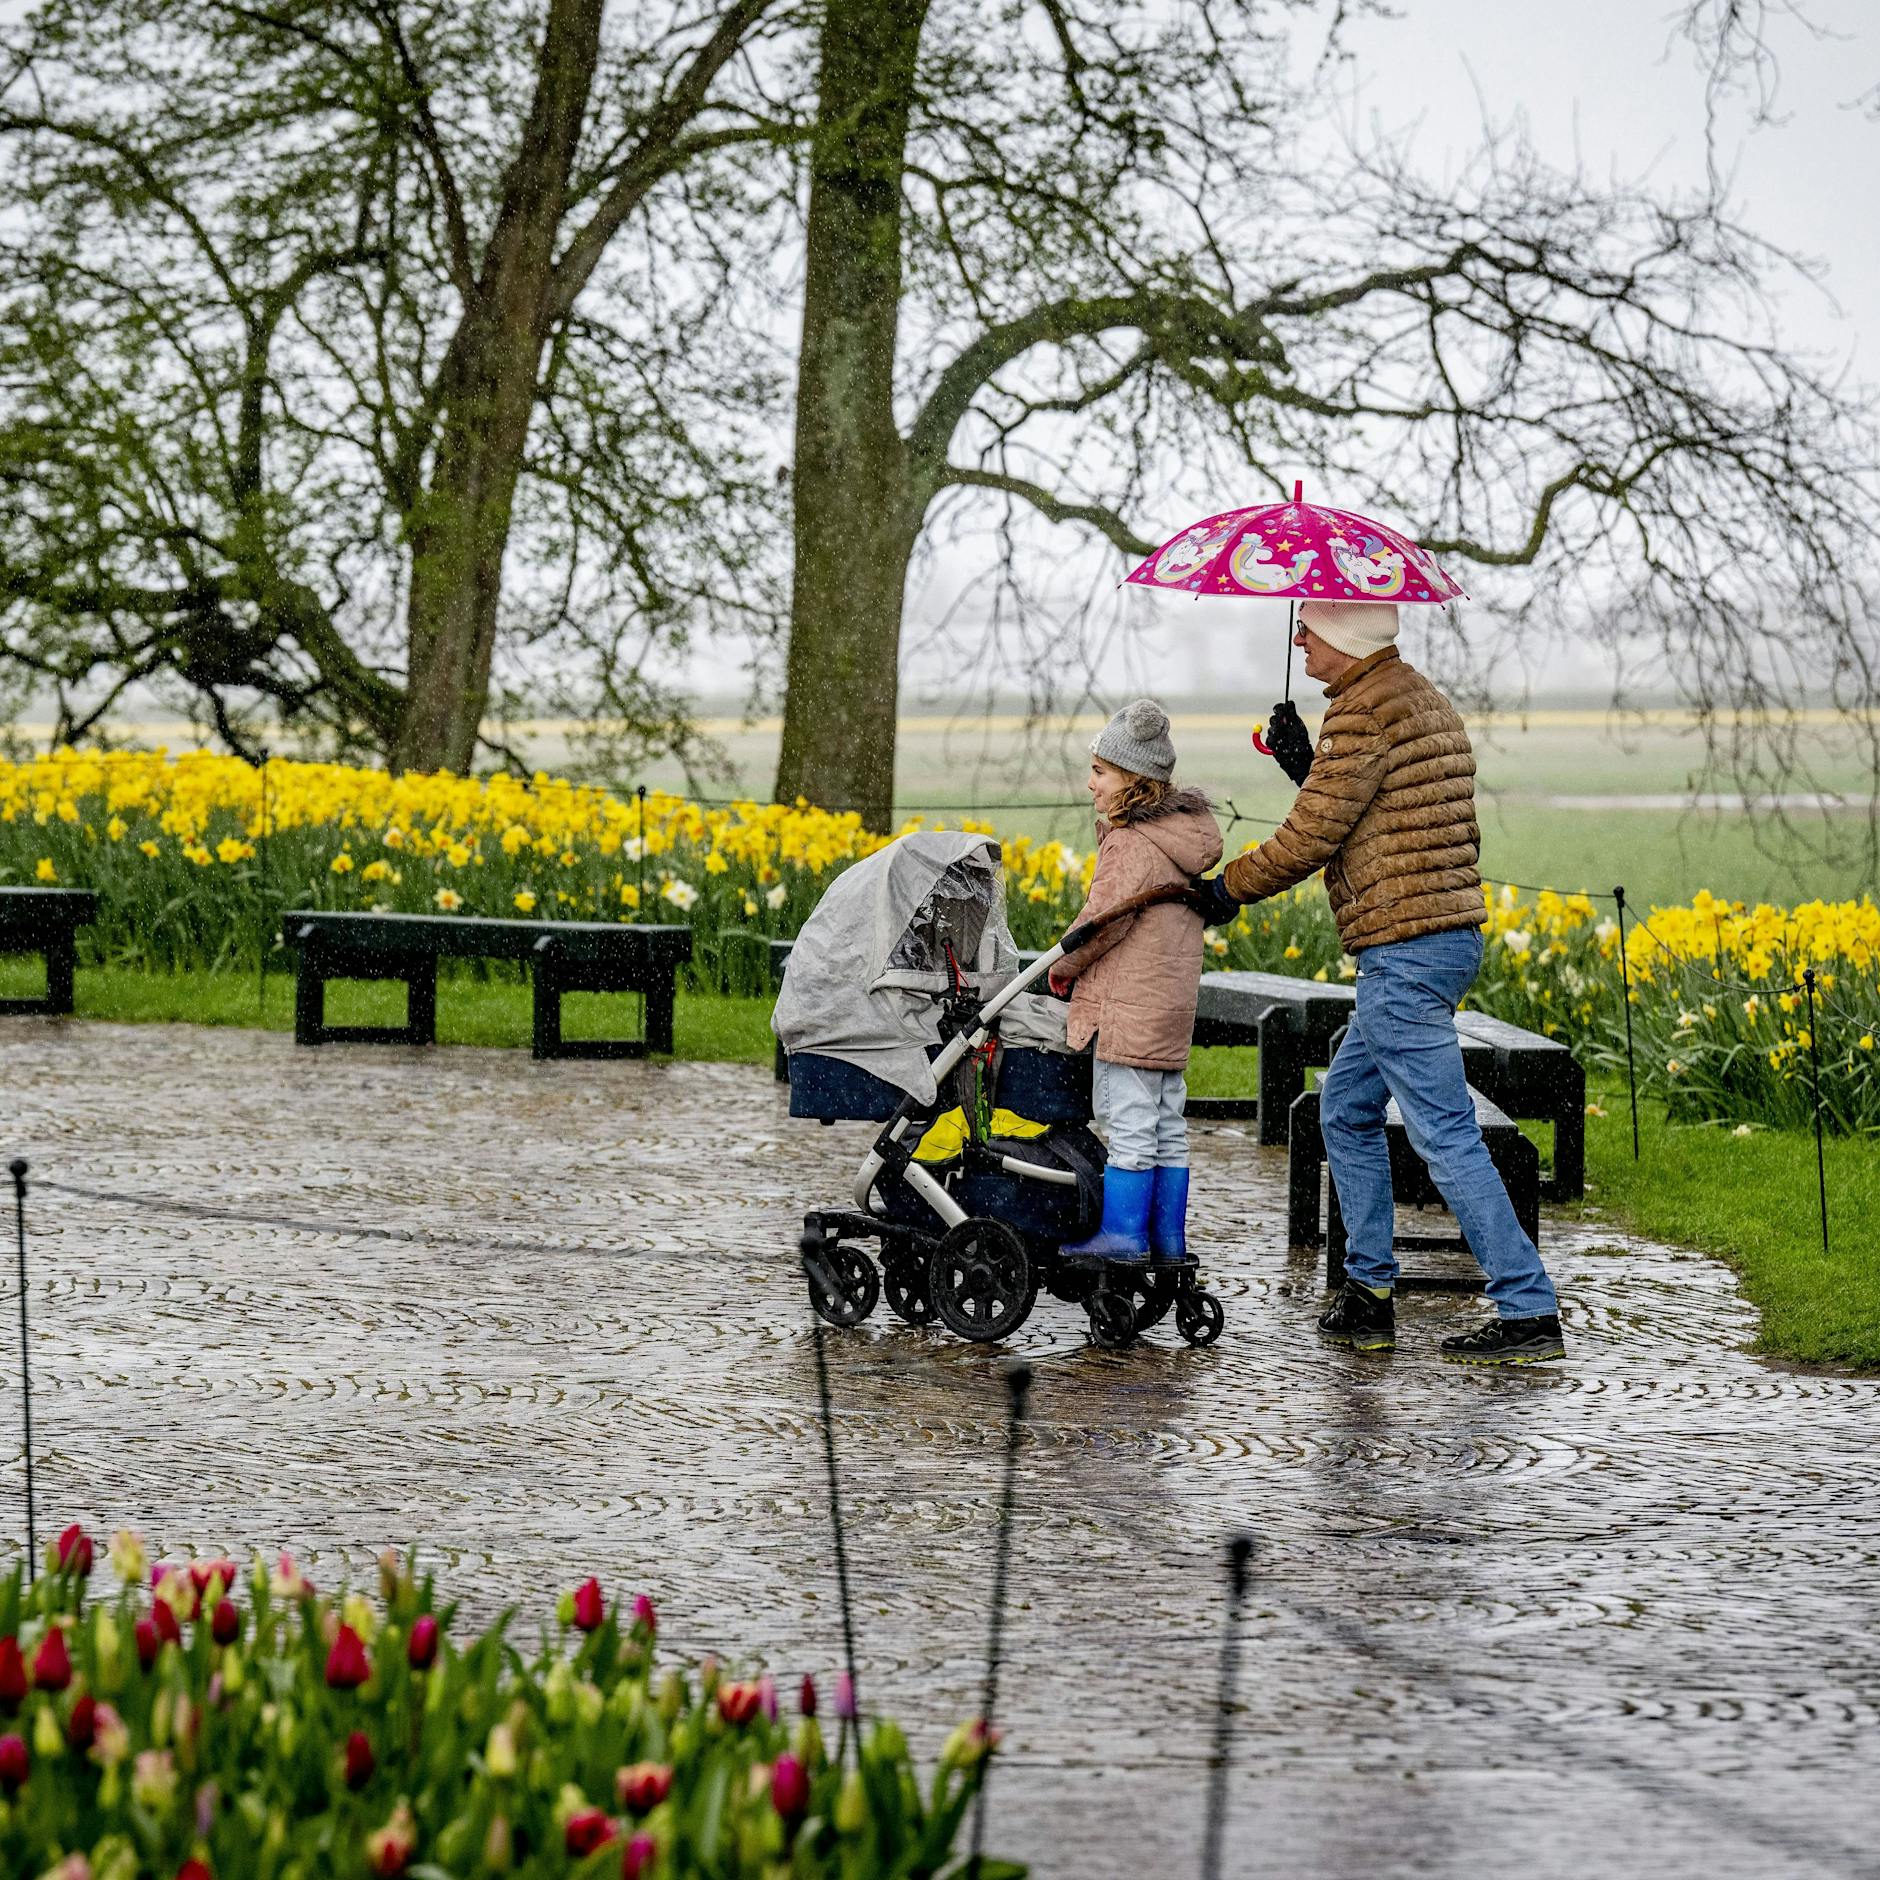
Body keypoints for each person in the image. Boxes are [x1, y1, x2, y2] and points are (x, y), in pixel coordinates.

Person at [1197, 602, 1566, 1364]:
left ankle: (1527, 1309)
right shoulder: (1417, 696)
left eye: (1311, 628)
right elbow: (1381, 812)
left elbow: (1313, 836)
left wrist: (1225, 890)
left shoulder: (1363, 712)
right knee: (1348, 1107)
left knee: (1445, 1136)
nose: (1299, 637)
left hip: (1403, 948)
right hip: (1440, 940)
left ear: (1345, 636)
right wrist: (1308, 766)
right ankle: (1368, 1293)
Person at [1049, 699, 1223, 1263]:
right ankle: (1168, 1240)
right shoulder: (1182, 842)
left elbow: (1101, 924)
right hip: (1169, 1011)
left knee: (1128, 1123)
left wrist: (1060, 965)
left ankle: (1123, 1234)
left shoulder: (1130, 843)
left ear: (1133, 782)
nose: (1091, 783)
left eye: (1100, 772)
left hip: (1128, 1008)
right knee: (1167, 1123)